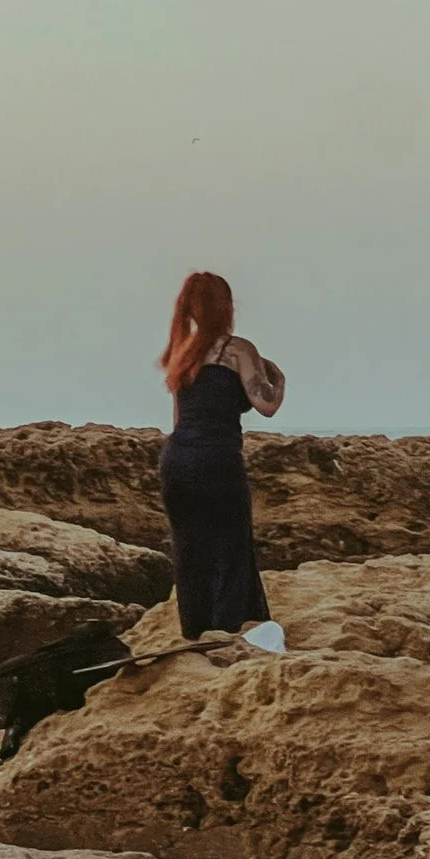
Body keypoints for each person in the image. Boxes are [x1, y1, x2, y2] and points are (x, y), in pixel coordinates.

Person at [157, 272, 285, 638]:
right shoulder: (238, 350)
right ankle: (228, 629)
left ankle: (195, 631)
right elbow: (267, 405)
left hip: (178, 459)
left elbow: (179, 419)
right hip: (217, 460)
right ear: (226, 306)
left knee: (190, 550)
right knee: (231, 545)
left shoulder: (182, 353)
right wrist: (279, 380)